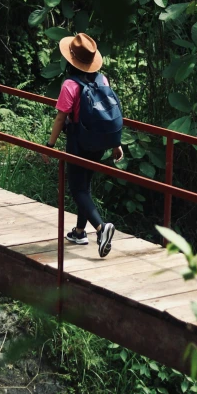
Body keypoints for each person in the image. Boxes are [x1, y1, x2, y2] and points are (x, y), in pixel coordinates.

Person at [45, 32, 123, 258]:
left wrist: (49, 145)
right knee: (85, 186)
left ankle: (100, 229)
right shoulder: (103, 80)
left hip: (79, 141)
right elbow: (110, 114)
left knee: (77, 189)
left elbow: (61, 117)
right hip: (99, 142)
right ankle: (80, 232)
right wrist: (115, 143)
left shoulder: (70, 84)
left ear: (71, 59)